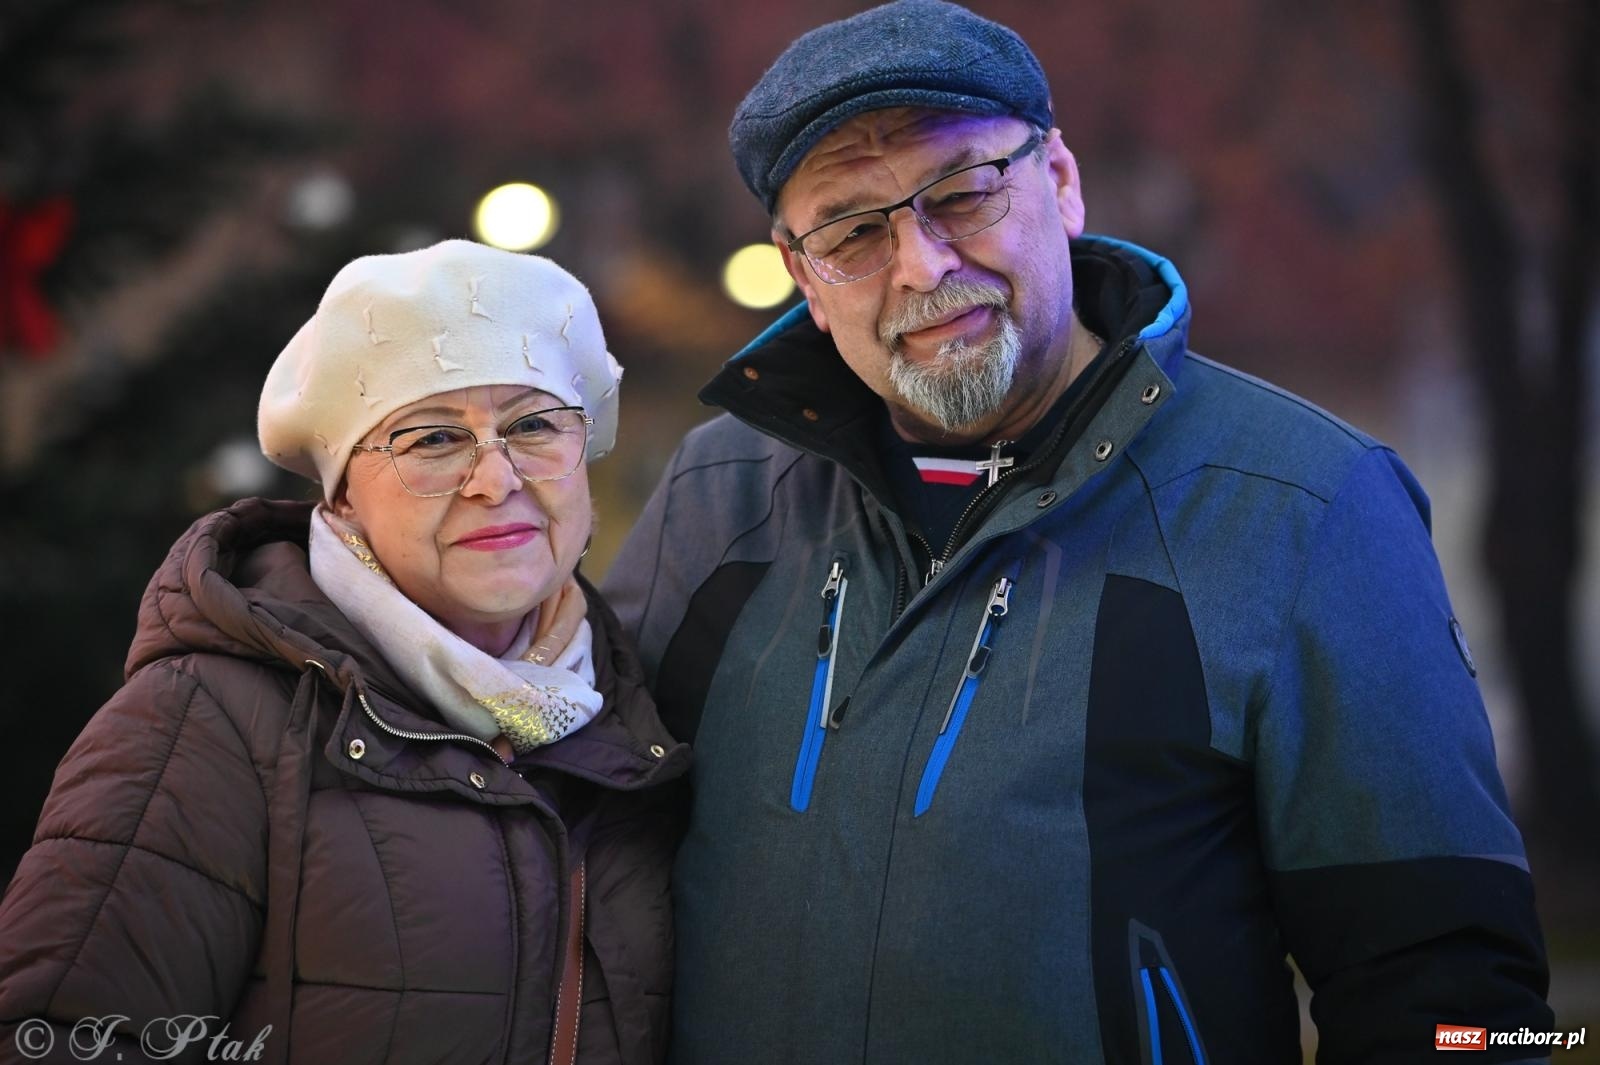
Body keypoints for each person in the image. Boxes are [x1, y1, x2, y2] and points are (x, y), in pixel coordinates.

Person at [600, 2, 1553, 1062]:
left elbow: (1463, 1000)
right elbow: (576, 839)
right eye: (853, 231)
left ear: (1058, 182)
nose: (920, 265)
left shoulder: (1307, 507)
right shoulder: (718, 493)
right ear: (802, 277)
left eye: (959, 195)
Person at [0, 240, 687, 1065]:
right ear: (343, 496)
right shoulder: (209, 719)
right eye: (433, 439)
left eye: (534, 424)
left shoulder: (630, 721)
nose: (495, 478)